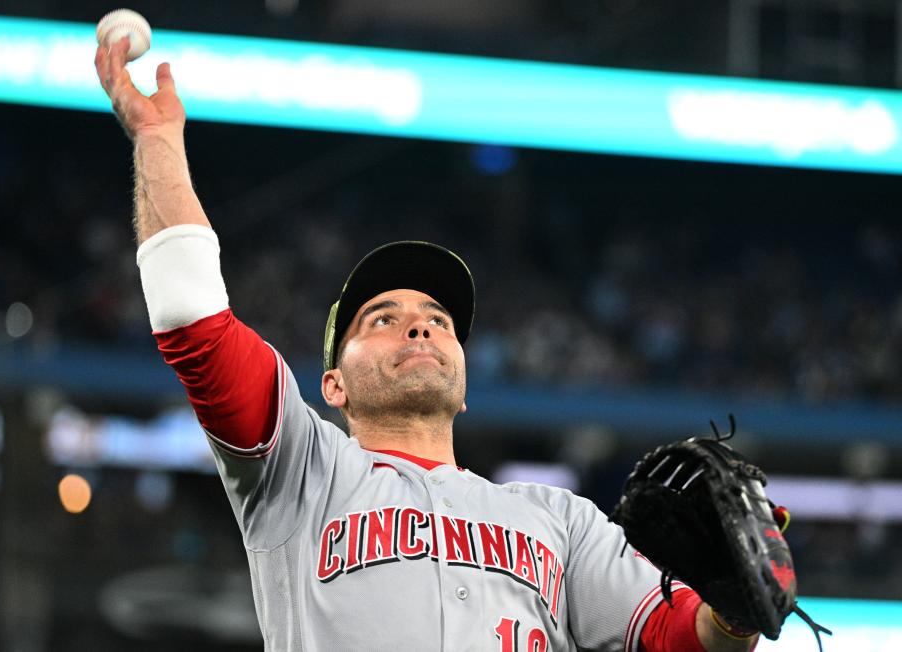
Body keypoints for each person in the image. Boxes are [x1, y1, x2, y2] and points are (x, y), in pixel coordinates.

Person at [95, 36, 765, 651]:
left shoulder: (560, 519)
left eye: (439, 320)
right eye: (382, 318)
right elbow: (191, 316)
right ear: (334, 385)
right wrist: (157, 139)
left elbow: (675, 638)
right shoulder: (301, 473)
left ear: (465, 386)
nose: (421, 325)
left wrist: (733, 611)